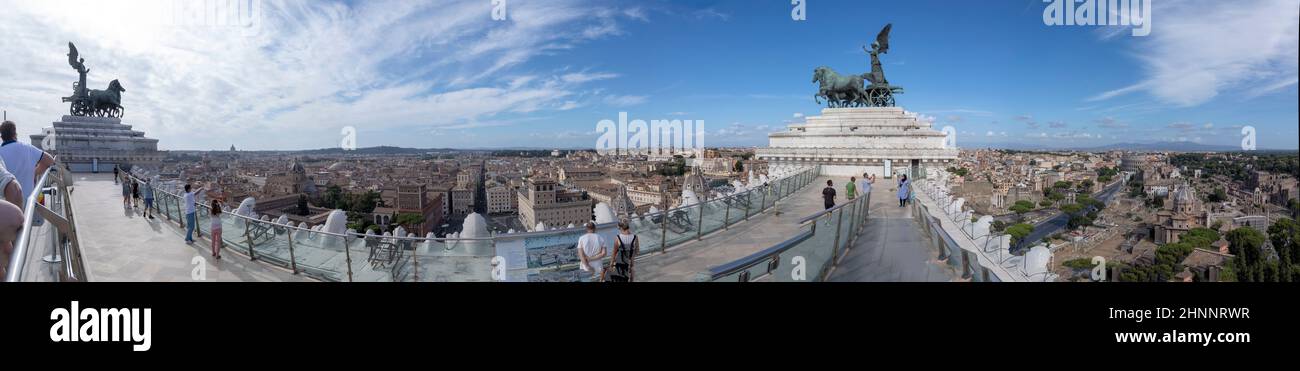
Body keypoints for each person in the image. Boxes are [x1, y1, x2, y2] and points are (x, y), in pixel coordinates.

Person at [0, 121, 56, 203]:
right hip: (28, 204)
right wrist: (35, 172)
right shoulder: (27, 148)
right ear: (15, 134)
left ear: (2, 136)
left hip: (7, 209)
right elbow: (50, 161)